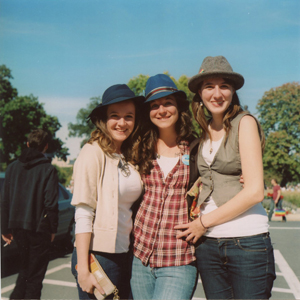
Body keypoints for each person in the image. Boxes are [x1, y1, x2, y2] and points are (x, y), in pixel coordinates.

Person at [175, 56, 276, 299]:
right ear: (199, 93)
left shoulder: (245, 123)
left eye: (224, 86)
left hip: (247, 241)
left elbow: (254, 192)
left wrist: (202, 223)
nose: (217, 93)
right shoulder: (201, 134)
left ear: (233, 91)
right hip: (208, 246)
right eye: (209, 86)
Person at [70, 84, 144, 300]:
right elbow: (83, 212)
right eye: (115, 116)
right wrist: (83, 269)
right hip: (98, 256)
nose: (122, 123)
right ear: (104, 119)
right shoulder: (92, 152)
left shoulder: (130, 156)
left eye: (128, 116)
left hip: (126, 253)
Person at [130, 74, 198, 300]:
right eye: (154, 105)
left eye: (167, 103)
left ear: (178, 107)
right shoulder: (139, 147)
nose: (161, 110)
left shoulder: (196, 148)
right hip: (140, 256)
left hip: (178, 258)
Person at [1, 129, 59, 300]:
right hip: (39, 230)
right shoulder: (48, 169)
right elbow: (50, 204)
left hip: (17, 228)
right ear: (45, 146)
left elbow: (4, 201)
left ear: (27, 143)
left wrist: (5, 229)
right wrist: (53, 230)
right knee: (34, 277)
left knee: (25, 270)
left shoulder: (12, 168)